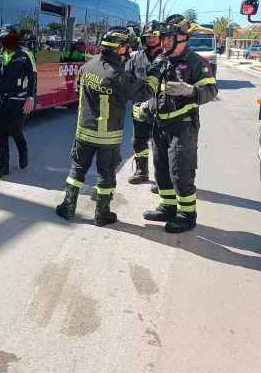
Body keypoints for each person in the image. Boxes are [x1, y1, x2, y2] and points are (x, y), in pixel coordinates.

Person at [55, 26, 166, 226]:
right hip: (108, 136)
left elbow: (77, 90)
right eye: (125, 47)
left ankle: (67, 206)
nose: (128, 50)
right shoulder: (118, 75)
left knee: (77, 169)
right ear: (119, 48)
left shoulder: (87, 67)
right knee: (106, 175)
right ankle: (102, 214)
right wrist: (155, 71)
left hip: (83, 132)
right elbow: (144, 92)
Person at [142, 14, 218, 233]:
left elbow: (211, 90)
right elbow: (152, 87)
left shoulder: (196, 62)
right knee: (161, 170)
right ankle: (168, 207)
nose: (163, 42)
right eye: (163, 37)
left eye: (168, 38)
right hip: (159, 125)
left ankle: (186, 215)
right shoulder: (161, 59)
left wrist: (192, 91)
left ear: (183, 38)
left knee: (180, 172)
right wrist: (149, 104)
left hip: (183, 126)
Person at [0, 25, 37, 178]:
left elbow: (32, 78)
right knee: (2, 133)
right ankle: (3, 166)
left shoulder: (25, 54)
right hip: (1, 100)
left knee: (15, 130)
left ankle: (23, 149)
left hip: (19, 100)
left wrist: (30, 97)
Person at [124, 21, 164, 184]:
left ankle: (162, 180)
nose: (151, 39)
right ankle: (141, 172)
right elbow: (127, 77)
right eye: (148, 36)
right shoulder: (137, 57)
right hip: (139, 109)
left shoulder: (168, 57)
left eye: (155, 36)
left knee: (160, 145)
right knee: (138, 141)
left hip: (161, 109)